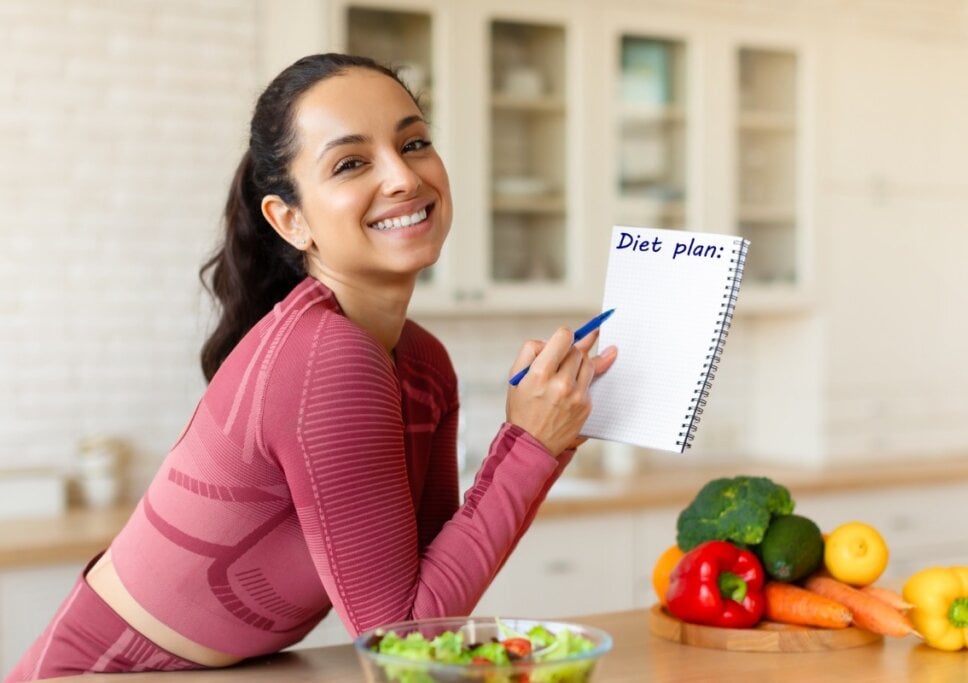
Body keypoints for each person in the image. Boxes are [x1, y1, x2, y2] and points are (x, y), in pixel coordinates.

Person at [4, 53, 616, 682]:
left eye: (414, 142)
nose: (403, 177)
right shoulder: (327, 357)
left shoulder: (423, 362)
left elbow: (432, 597)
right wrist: (532, 443)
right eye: (351, 162)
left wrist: (543, 437)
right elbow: (402, 637)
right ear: (290, 219)